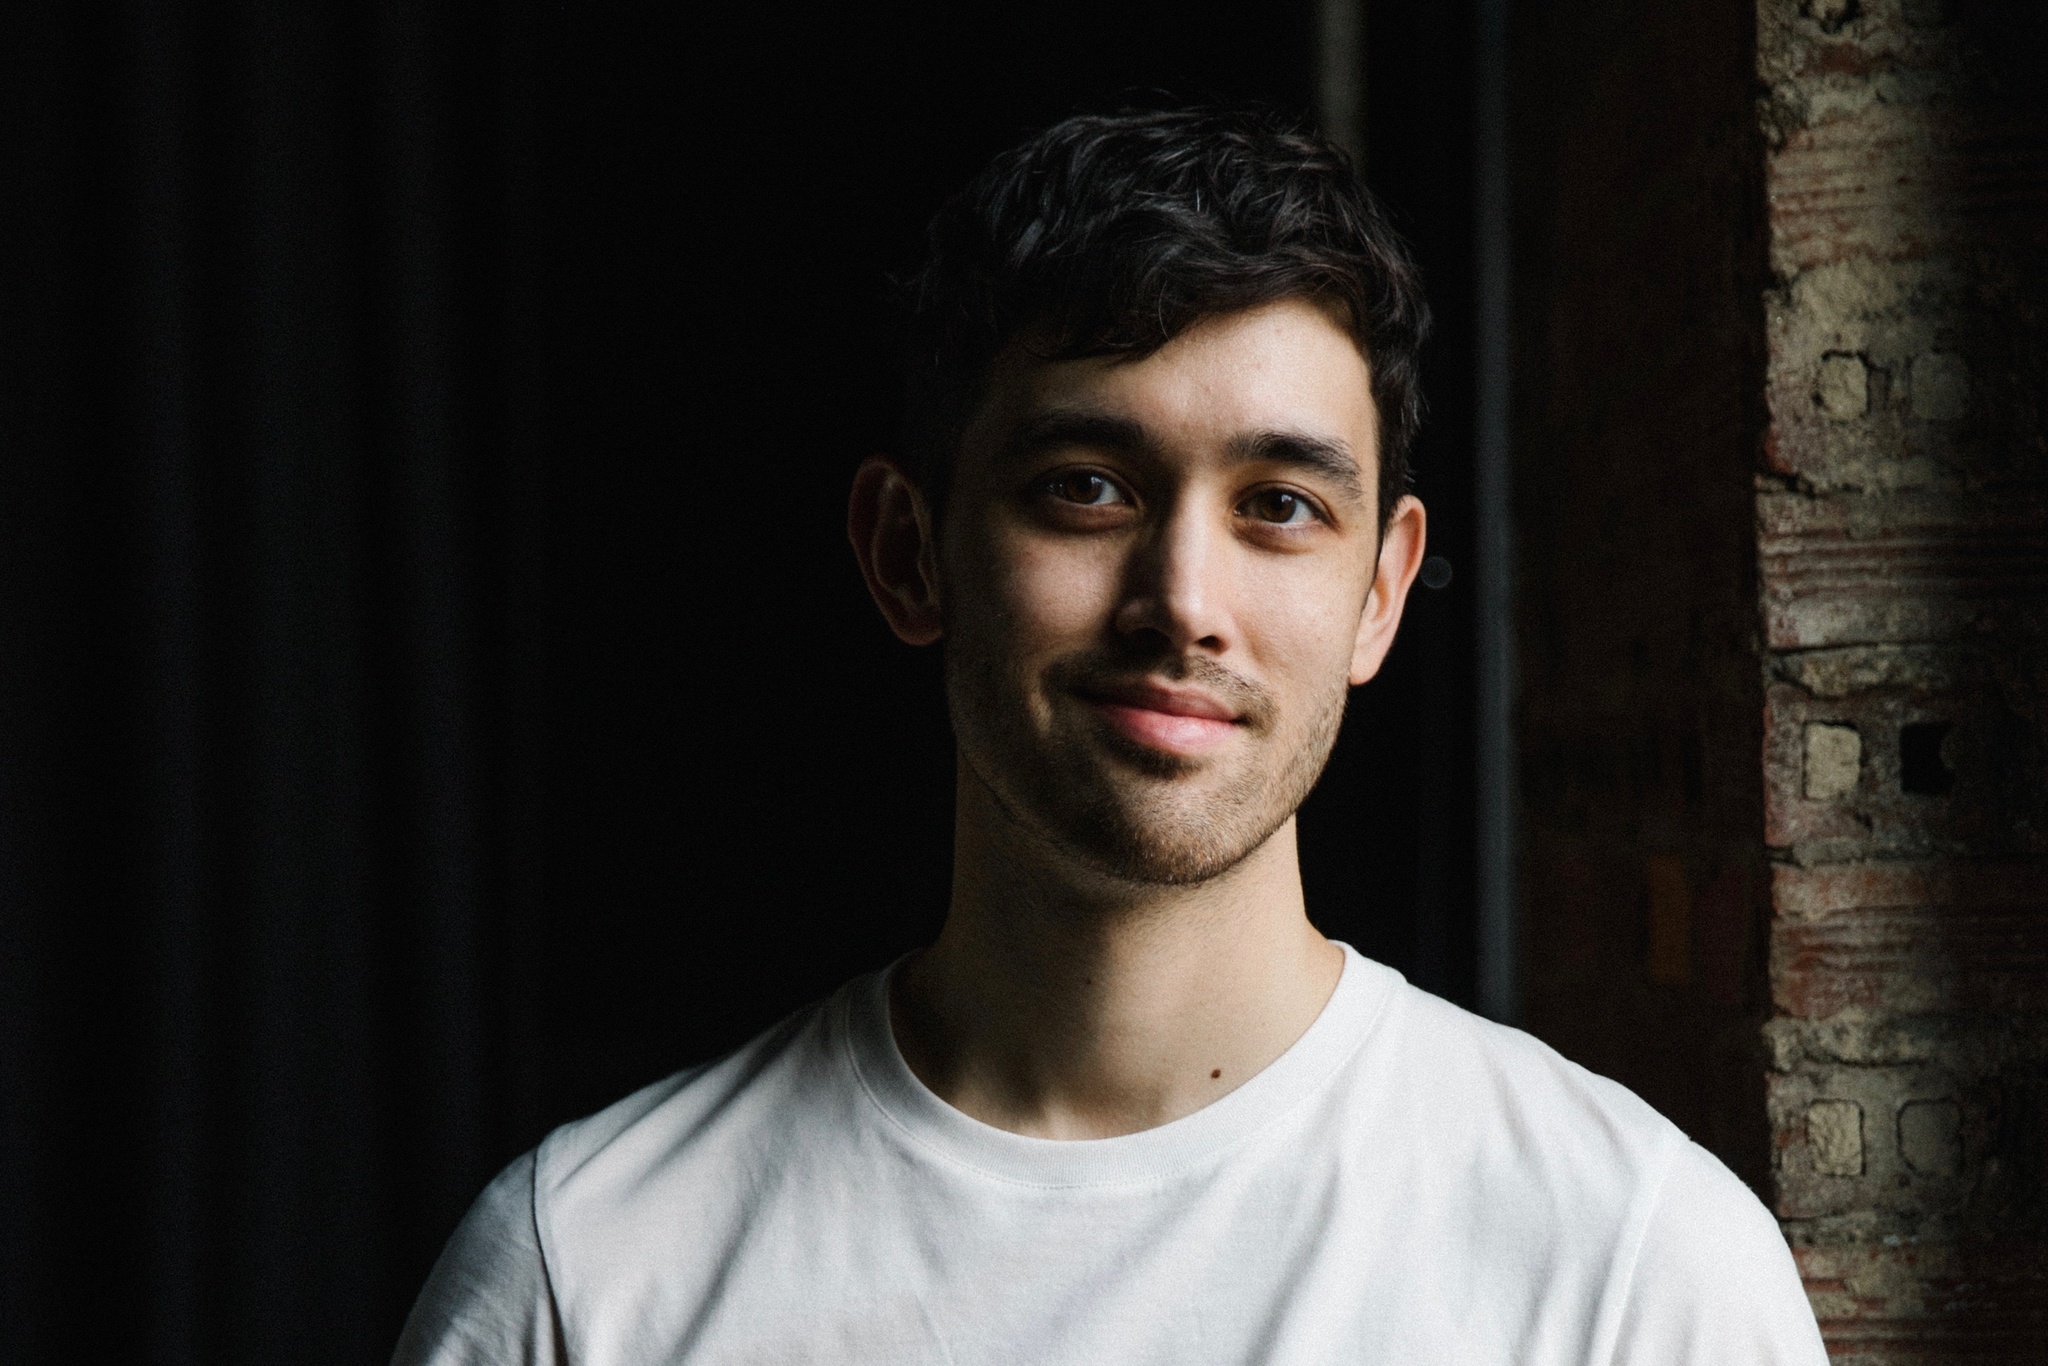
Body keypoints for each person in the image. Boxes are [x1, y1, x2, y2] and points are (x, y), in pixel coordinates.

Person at [393, 107, 1826, 1364]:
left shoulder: (1632, 1272)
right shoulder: (585, 1276)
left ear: (1380, 590)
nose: (1182, 603)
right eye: (1086, 486)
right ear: (909, 551)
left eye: (1278, 504)